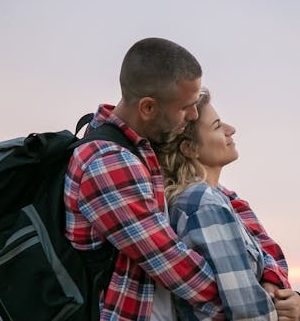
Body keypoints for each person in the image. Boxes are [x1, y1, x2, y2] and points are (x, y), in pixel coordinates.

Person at [64, 38, 224, 321]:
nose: (194, 115)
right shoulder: (108, 162)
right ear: (148, 108)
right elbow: (166, 259)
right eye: (186, 106)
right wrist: (244, 297)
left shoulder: (141, 148)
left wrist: (273, 280)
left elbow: (228, 201)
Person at [154, 88, 300, 320]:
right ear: (190, 148)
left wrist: (298, 303)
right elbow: (246, 312)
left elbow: (261, 265)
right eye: (218, 126)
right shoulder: (204, 204)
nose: (231, 130)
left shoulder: (222, 200)